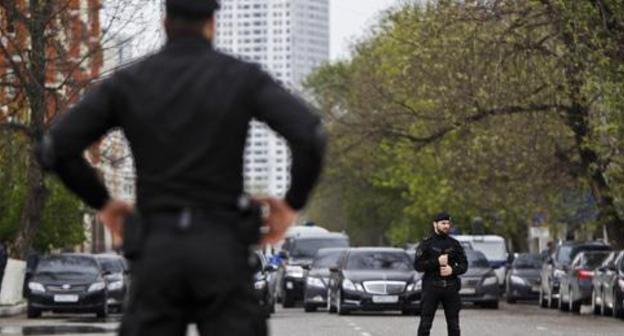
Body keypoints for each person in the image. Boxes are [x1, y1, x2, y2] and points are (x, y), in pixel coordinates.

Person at [37, 0, 326, 335]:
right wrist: (291, 203)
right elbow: (310, 135)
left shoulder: (129, 83)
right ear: (211, 23)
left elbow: (55, 148)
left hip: (157, 249)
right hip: (222, 246)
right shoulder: (241, 77)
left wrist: (103, 202)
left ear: (165, 23)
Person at [414, 212, 468, 336]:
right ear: (435, 224)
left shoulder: (454, 244)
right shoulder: (426, 244)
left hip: (450, 287)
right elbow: (418, 266)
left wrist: (452, 270)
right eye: (443, 223)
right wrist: (436, 262)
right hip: (431, 287)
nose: (446, 226)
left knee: (454, 324)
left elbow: (464, 265)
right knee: (425, 324)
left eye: (448, 223)